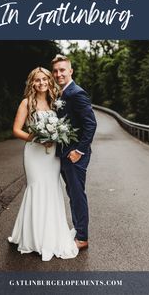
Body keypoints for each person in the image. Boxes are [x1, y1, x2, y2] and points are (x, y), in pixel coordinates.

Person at [7, 67, 79, 261]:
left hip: (52, 155)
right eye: (37, 80)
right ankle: (32, 236)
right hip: (34, 153)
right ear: (32, 83)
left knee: (51, 189)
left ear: (49, 81)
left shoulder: (55, 102)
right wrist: (36, 138)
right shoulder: (26, 103)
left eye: (44, 80)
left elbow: (65, 125)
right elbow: (16, 130)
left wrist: (58, 135)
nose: (41, 83)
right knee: (36, 188)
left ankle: (50, 235)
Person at [51, 54, 97, 251]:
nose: (58, 74)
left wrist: (79, 151)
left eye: (62, 70)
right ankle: (79, 231)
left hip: (75, 156)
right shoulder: (61, 93)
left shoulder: (76, 93)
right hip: (64, 154)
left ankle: (82, 238)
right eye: (55, 71)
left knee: (77, 195)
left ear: (71, 71)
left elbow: (91, 124)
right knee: (72, 193)